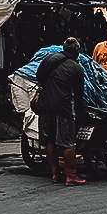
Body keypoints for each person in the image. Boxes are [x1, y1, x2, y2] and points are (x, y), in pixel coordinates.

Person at [35, 37, 88, 186]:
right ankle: (71, 176)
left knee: (50, 141)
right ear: (77, 52)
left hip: (45, 105)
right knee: (68, 143)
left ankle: (55, 174)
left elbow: (39, 77)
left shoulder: (48, 59)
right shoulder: (76, 68)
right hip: (63, 108)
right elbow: (78, 95)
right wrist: (79, 114)